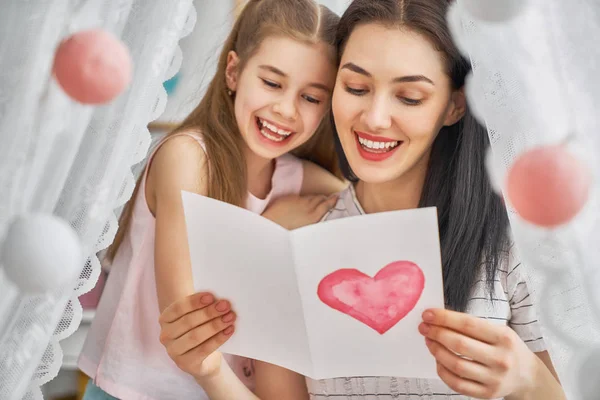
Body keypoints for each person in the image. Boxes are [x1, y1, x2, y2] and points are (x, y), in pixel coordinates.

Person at [158, 1, 567, 399]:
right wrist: (210, 372)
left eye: (409, 97)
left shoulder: (516, 239)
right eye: (356, 87)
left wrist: (528, 380)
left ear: (454, 105)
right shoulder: (293, 240)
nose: (373, 117)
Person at [78, 1, 346, 399]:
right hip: (134, 391)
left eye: (311, 97)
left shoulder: (303, 181)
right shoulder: (187, 158)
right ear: (234, 71)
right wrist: (271, 228)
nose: (286, 109)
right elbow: (189, 319)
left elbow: (367, 215)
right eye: (272, 83)